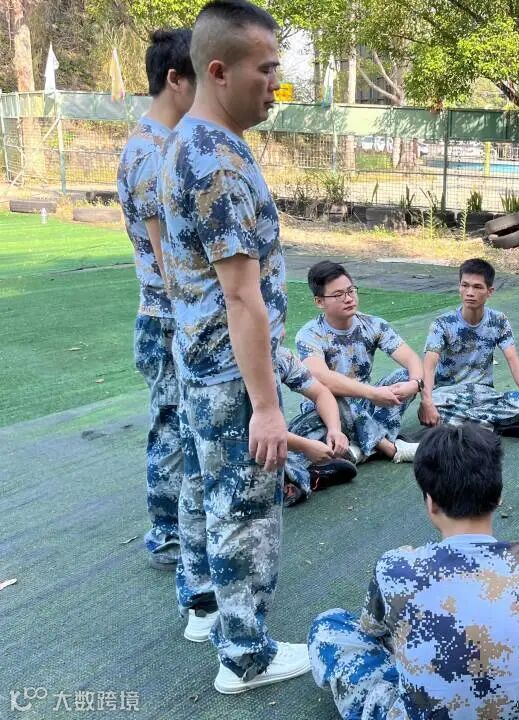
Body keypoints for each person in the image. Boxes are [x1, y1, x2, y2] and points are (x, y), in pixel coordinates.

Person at [159, 0, 310, 693]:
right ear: (218, 71)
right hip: (229, 372)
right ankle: (244, 657)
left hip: (200, 360)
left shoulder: (187, 141)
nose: (277, 86)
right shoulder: (215, 162)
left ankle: (205, 609)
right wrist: (267, 406)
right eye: (267, 70)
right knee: (244, 513)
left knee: (204, 488)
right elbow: (242, 295)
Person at [308, 423, 519, 719]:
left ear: (430, 502)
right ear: (499, 494)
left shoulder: (395, 568)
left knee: (329, 625)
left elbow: (372, 631)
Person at [116, 27, 196, 569]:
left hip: (171, 315)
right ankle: (167, 535)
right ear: (175, 80)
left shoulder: (163, 144)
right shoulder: (151, 153)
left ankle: (179, 527)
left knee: (179, 423)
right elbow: (169, 261)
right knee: (171, 426)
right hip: (167, 317)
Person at [295, 261, 423, 463]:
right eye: (338, 295)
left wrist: (415, 384)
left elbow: (411, 359)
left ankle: (361, 448)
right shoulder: (310, 334)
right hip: (329, 411)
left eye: (351, 290)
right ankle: (390, 449)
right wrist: (372, 393)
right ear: (319, 302)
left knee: (405, 377)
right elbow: (321, 377)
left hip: (364, 402)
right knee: (332, 392)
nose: (348, 299)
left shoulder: (373, 325)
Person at [419, 258, 519, 435]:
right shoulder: (442, 324)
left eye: (477, 287)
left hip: (483, 395)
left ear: (489, 291)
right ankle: (495, 425)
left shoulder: (499, 321)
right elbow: (429, 366)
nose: (470, 292)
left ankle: (469, 425)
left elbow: (513, 361)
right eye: (465, 285)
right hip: (449, 395)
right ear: (459, 287)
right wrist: (427, 401)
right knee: (433, 407)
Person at [273, 347, 355, 507]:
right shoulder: (230, 367)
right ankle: (299, 477)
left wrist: (335, 430)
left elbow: (321, 394)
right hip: (237, 446)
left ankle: (299, 472)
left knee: (336, 410)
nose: (281, 334)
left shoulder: (281, 356)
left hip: (278, 436)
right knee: (259, 457)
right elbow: (251, 432)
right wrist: (305, 446)